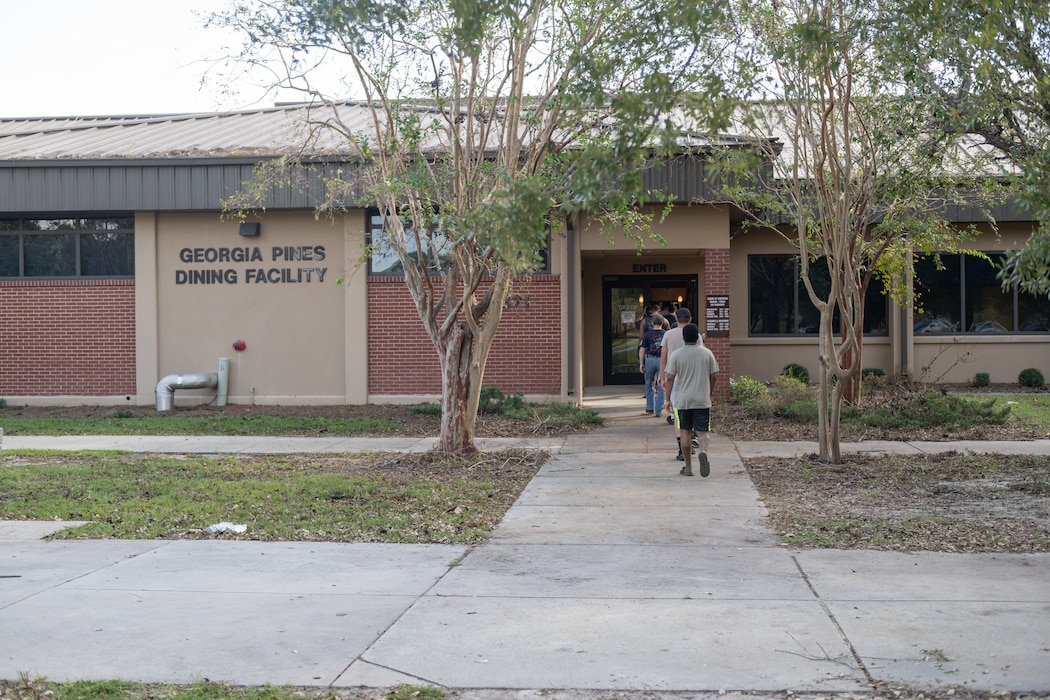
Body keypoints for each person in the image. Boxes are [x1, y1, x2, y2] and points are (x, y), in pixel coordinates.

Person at [663, 323, 719, 477]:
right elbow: (714, 376)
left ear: (683, 337)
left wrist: (667, 399)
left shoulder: (676, 355)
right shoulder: (707, 353)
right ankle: (703, 452)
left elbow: (670, 378)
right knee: (703, 431)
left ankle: (688, 467)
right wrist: (709, 392)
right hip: (702, 399)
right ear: (698, 337)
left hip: (683, 400)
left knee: (685, 431)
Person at [637, 313, 667, 416]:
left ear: (652, 323)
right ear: (662, 323)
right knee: (661, 384)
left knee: (648, 383)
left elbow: (642, 350)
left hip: (650, 359)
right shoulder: (665, 334)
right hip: (662, 361)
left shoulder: (647, 335)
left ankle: (650, 408)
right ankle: (658, 410)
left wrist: (641, 363)